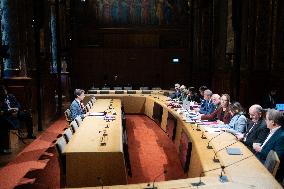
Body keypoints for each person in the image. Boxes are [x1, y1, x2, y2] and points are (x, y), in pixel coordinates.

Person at [253, 109, 284, 181]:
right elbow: (268, 146)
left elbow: (275, 158)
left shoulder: (282, 136)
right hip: (258, 160)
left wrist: (260, 149)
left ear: (272, 122)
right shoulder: (272, 130)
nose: (265, 121)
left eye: (266, 119)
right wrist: (260, 145)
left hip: (266, 169)